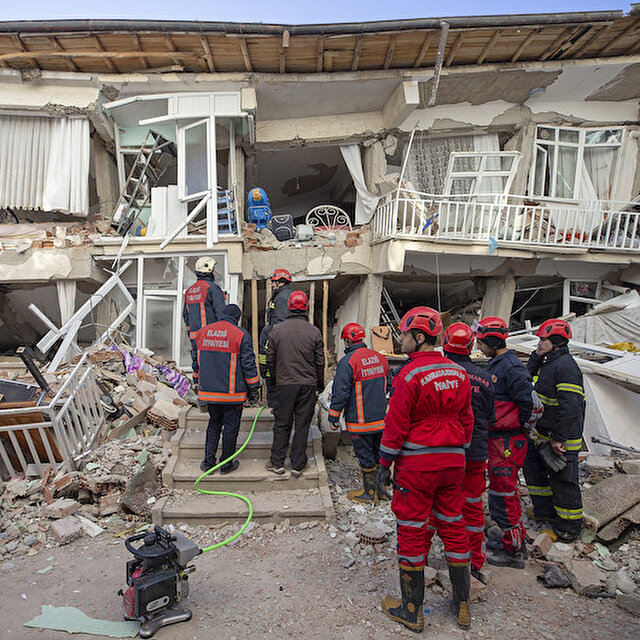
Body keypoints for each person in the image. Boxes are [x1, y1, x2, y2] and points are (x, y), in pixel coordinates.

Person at [378, 307, 474, 632]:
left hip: (418, 466)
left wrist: (383, 464)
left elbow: (396, 424)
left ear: (419, 337)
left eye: (404, 335)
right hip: (453, 464)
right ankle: (462, 606)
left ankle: (411, 610)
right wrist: (456, 450)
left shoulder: (408, 375)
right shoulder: (458, 372)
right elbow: (467, 421)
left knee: (412, 530)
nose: (400, 339)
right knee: (453, 526)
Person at [420, 322, 494, 579]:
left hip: (443, 452)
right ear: (471, 345)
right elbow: (489, 415)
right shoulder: (484, 377)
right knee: (472, 508)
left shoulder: (438, 373)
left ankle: (421, 557)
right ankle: (473, 563)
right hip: (475, 453)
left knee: (431, 504)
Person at [475, 316, 542, 569]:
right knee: (499, 493)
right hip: (500, 439)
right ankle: (510, 541)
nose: (479, 347)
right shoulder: (498, 364)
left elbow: (530, 404)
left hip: (508, 441)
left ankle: (514, 552)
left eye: (482, 342)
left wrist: (521, 429)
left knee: (504, 495)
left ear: (493, 340)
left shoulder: (512, 368)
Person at [524, 319, 584, 541]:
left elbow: (570, 407)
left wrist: (559, 439)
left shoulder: (566, 367)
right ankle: (545, 513)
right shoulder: (548, 362)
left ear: (556, 342)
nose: (538, 343)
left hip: (562, 438)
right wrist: (536, 357)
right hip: (543, 433)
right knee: (535, 470)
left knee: (564, 481)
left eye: (543, 340)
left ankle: (568, 528)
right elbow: (527, 379)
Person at [328, 322, 390, 503]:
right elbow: (390, 385)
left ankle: (369, 494)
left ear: (347, 340)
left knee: (365, 456)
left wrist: (333, 416)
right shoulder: (380, 358)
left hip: (360, 422)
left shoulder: (348, 362)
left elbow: (340, 393)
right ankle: (381, 490)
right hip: (381, 420)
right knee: (378, 454)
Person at [265, 290, 324, 477]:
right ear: (306, 307)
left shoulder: (276, 331)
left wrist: (273, 383)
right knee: (302, 425)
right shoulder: (314, 332)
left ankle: (277, 462)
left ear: (289, 306)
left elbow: (270, 360)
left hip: (284, 384)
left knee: (282, 424)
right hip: (307, 385)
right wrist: (319, 384)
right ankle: (298, 465)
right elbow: (320, 362)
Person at [195, 304, 260, 474]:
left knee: (213, 424)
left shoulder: (203, 333)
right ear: (237, 318)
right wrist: (254, 388)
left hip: (208, 391)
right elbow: (248, 364)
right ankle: (226, 464)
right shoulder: (240, 334)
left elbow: (196, 360)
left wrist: (197, 381)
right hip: (232, 393)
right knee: (230, 428)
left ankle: (208, 463)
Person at [183, 257, 226, 389]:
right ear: (209, 271)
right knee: (214, 366)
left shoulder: (189, 291)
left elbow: (186, 315)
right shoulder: (212, 288)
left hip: (195, 336)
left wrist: (192, 331)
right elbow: (221, 314)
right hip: (211, 336)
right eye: (213, 269)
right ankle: (213, 394)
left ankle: (199, 390)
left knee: (198, 363)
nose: (215, 272)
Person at [258, 268, 294, 407]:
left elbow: (280, 322)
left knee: (274, 378)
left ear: (281, 282)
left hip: (278, 343)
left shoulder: (282, 297)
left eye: (274, 282)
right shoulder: (285, 295)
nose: (272, 285)